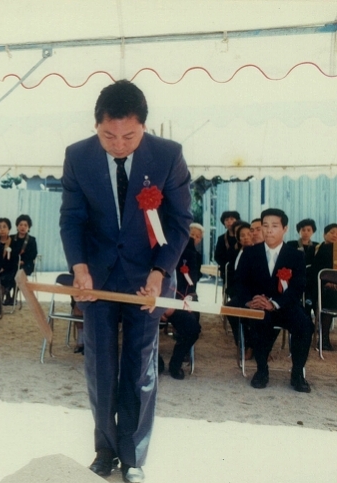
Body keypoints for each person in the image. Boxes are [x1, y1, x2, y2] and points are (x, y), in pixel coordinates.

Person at [60, 80, 192, 482]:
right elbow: (72, 218)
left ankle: (133, 456)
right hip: (96, 280)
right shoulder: (78, 156)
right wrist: (79, 266)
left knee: (139, 367)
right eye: (108, 136)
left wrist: (159, 273)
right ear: (96, 125)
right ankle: (104, 451)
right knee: (100, 365)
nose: (118, 144)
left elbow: (179, 221)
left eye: (129, 136)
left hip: (146, 280)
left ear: (145, 127)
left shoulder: (168, 156)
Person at [230, 208, 313, 393]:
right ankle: (261, 371)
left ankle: (298, 374)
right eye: (265, 226)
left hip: (285, 305)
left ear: (285, 228)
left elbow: (298, 287)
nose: (269, 230)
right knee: (260, 320)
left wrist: (275, 303)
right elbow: (239, 283)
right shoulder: (250, 253)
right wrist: (250, 301)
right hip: (258, 305)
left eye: (274, 226)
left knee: (305, 325)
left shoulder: (295, 255)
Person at [224, 222, 255, 354]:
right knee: (230, 308)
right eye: (242, 235)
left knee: (238, 309)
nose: (246, 237)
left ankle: (251, 346)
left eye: (249, 234)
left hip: (252, 293)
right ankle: (242, 344)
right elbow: (232, 277)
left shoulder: (257, 252)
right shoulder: (235, 252)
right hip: (237, 291)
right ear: (238, 238)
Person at [310, 227, 337, 351]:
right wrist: (328, 282)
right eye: (332, 232)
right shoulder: (320, 249)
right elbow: (316, 271)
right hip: (323, 287)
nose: (335, 235)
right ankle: (324, 338)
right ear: (324, 234)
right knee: (330, 294)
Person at [0, 217, 15, 313]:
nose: (2, 229)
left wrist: (4, 268)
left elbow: (14, 260)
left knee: (3, 279)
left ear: (9, 229)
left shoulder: (14, 243)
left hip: (10, 269)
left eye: (4, 227)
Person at [215, 210, 241, 284]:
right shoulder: (221, 239)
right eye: (226, 220)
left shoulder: (243, 236)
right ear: (224, 223)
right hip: (227, 270)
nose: (229, 222)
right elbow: (217, 256)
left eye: (232, 219)